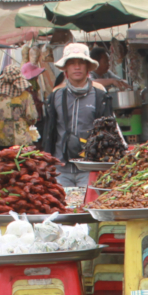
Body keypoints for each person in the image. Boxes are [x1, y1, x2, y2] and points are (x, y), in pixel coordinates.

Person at [40, 43, 112, 187]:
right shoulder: (55, 96)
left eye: (81, 63)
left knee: (87, 208)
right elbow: (49, 132)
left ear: (87, 67)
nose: (77, 67)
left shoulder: (100, 97)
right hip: (60, 169)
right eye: (72, 63)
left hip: (90, 170)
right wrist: (45, 162)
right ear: (65, 68)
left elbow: (109, 134)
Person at [0, 64, 38, 153]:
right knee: (22, 165)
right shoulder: (26, 95)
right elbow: (32, 117)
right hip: (22, 139)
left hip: (2, 141)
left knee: (5, 165)